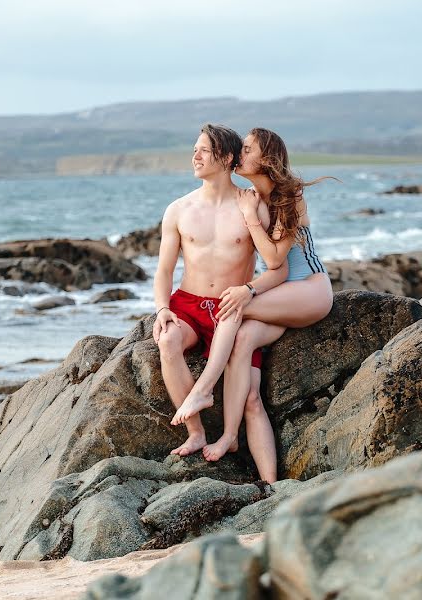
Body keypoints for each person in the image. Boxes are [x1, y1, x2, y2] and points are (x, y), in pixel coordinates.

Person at [170, 127, 334, 483]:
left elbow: (278, 260)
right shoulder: (253, 197)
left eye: (247, 149)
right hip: (278, 299)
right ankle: (266, 479)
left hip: (308, 290)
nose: (239, 154)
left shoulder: (290, 196)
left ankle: (202, 390)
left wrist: (248, 287)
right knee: (247, 369)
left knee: (234, 306)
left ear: (267, 158)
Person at [152, 124, 289, 457]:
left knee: (251, 395)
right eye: (194, 149)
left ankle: (232, 438)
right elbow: (164, 270)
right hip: (187, 304)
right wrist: (161, 308)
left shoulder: (251, 205)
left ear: (227, 157)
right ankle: (195, 431)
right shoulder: (179, 209)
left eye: (204, 150)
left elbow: (278, 267)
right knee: (167, 340)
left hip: (231, 309)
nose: (195, 156)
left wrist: (249, 291)